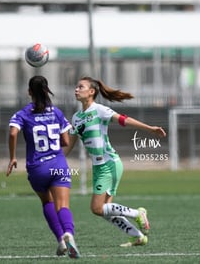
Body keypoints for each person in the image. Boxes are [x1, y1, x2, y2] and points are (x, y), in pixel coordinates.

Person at [63, 76, 166, 247]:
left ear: (91, 92)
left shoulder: (99, 110)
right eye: (76, 87)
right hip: (99, 167)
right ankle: (137, 236)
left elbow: (124, 120)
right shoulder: (76, 118)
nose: (76, 89)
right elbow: (69, 145)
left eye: (80, 87)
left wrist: (150, 129)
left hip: (108, 164)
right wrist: (53, 160)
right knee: (106, 210)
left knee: (97, 208)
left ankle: (137, 213)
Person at [6, 75, 81, 258]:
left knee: (47, 202)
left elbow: (13, 132)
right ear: (47, 90)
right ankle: (69, 233)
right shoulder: (56, 112)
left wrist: (13, 157)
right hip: (58, 165)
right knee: (62, 205)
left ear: (29, 92)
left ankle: (60, 241)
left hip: (37, 168)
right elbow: (65, 140)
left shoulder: (23, 113)